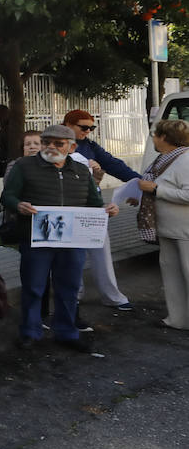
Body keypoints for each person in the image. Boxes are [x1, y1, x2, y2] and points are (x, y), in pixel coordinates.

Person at [1, 124, 118, 354]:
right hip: (36, 239)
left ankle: (66, 332)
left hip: (72, 241)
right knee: (34, 287)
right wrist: (19, 205)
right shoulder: (25, 166)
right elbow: (8, 196)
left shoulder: (81, 170)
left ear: (72, 147)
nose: (50, 147)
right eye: (46, 142)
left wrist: (107, 209)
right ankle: (30, 332)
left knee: (69, 287)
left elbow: (93, 203)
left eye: (58, 143)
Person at [63, 109, 136, 311]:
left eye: (91, 127)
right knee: (71, 253)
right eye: (83, 127)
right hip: (66, 207)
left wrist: (138, 183)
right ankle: (74, 294)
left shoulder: (90, 145)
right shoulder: (55, 141)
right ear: (68, 124)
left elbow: (114, 165)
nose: (88, 131)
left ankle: (112, 295)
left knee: (101, 250)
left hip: (92, 206)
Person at [138, 119, 189, 329]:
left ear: (165, 137)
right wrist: (140, 194)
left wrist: (156, 190)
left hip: (184, 231)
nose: (154, 139)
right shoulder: (163, 159)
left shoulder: (185, 160)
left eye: (155, 135)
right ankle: (178, 319)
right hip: (167, 229)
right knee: (172, 276)